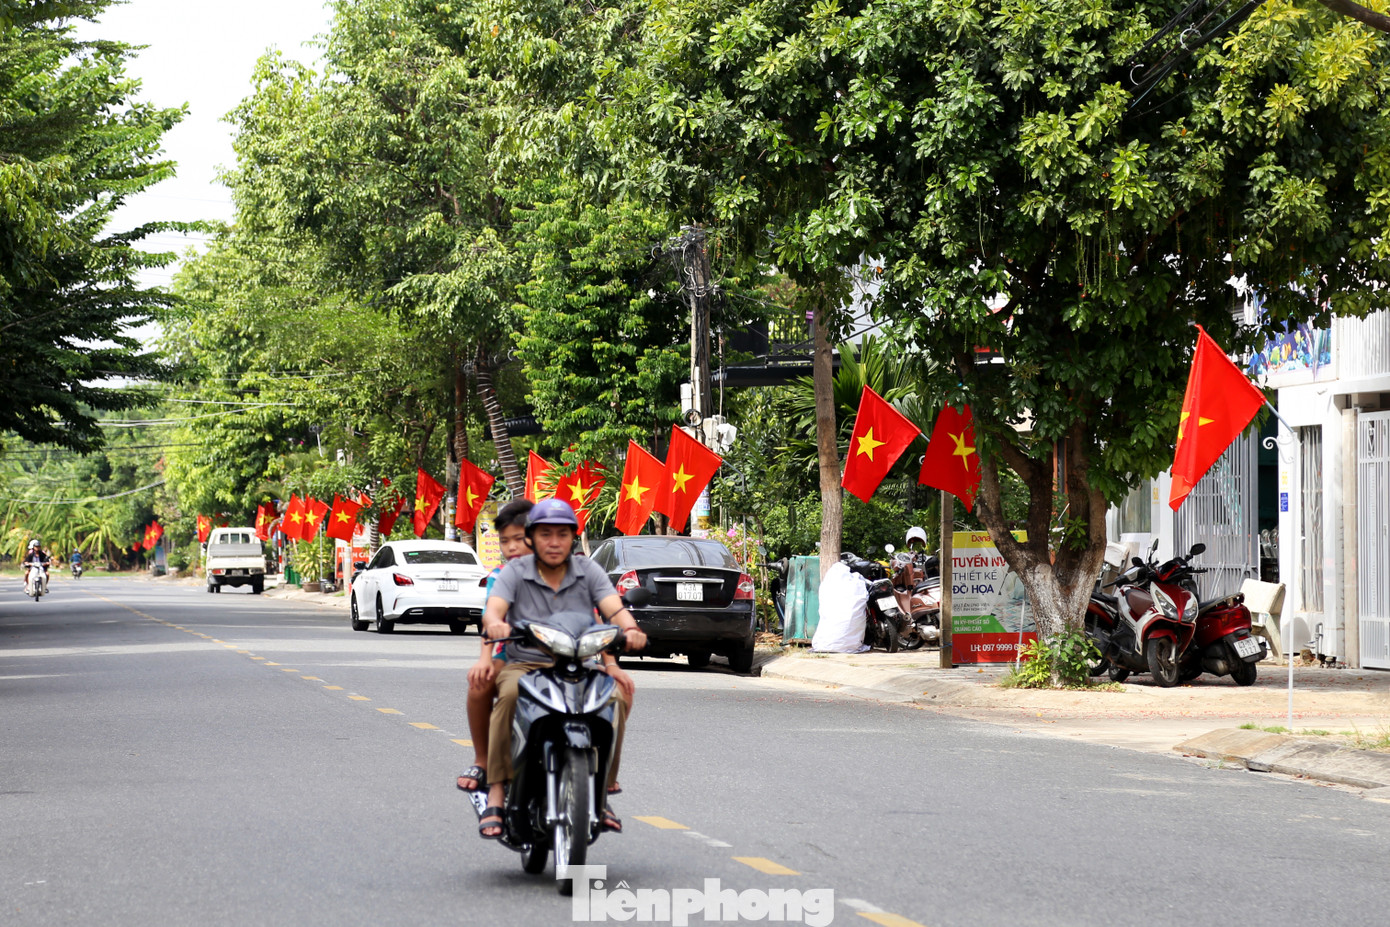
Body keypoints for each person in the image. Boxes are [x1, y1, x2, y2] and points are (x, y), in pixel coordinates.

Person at [476, 498, 647, 840]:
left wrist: (630, 630)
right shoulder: (514, 572)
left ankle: (603, 789)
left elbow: (613, 608)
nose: (554, 542)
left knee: (617, 697)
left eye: (562, 535)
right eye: (545, 534)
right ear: (532, 538)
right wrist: (495, 623)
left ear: (573, 538)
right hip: (525, 662)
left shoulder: (589, 570)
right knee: (508, 696)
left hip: (579, 662)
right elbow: (493, 610)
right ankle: (496, 789)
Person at [456, 498, 533, 793]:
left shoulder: (564, 572)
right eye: (505, 541)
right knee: (479, 684)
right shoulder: (499, 577)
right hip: (510, 654)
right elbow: (491, 617)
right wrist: (484, 659)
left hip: (560, 655)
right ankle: (483, 760)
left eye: (519, 539)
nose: (511, 547)